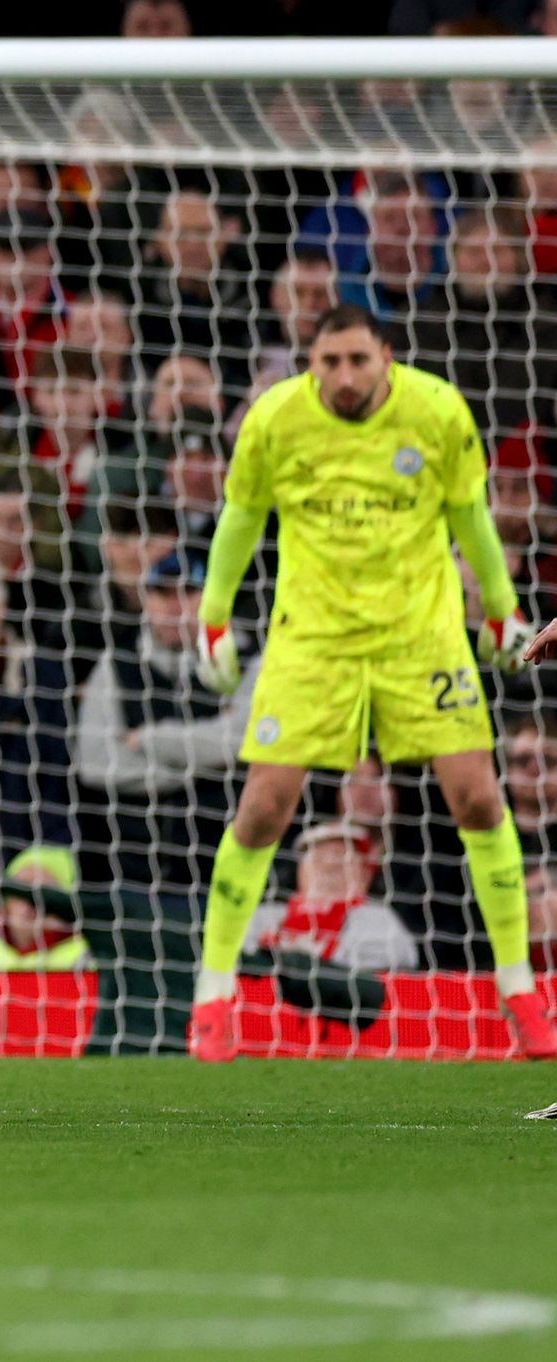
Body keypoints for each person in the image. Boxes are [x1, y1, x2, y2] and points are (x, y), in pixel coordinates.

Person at [191, 305, 550, 1059]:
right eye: (329, 363)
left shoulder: (437, 411)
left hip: (418, 634)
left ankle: (518, 987)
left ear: (386, 355)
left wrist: (504, 613)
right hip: (313, 639)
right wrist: (215, 617)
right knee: (263, 807)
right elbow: (239, 518)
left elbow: (472, 519)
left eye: (358, 360)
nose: (344, 377)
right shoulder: (274, 421)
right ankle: (213, 991)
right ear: (310, 362)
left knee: (480, 797)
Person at [0, 846, 93, 970]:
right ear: (5, 902)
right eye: (22, 889)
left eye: (46, 891)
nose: (32, 901)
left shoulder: (94, 959)